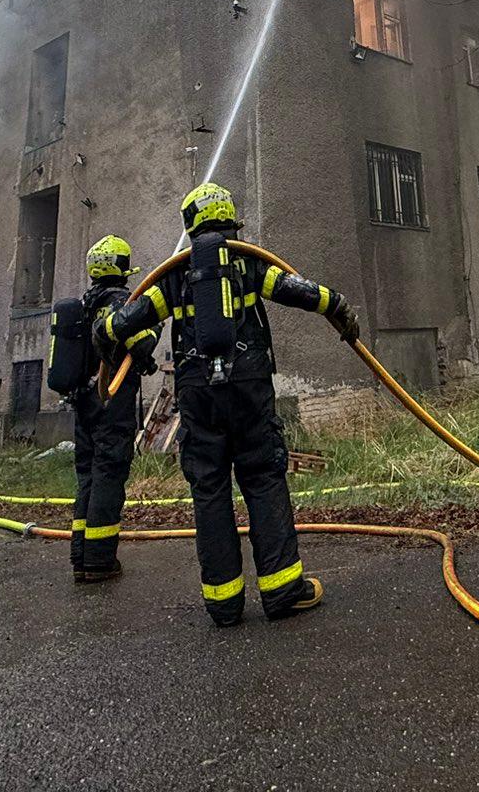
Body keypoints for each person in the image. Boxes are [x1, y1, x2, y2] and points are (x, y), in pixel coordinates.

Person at [99, 181, 359, 627]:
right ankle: (282, 591)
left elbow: (121, 324)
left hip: (198, 397)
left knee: (210, 489)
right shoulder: (249, 264)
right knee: (262, 477)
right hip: (250, 389)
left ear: (190, 223)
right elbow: (301, 292)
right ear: (229, 218)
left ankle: (223, 603)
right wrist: (338, 307)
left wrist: (105, 337)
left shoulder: (173, 277)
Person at [54, 234, 153, 584]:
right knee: (109, 473)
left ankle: (80, 557)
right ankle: (100, 560)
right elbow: (138, 339)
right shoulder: (119, 301)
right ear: (121, 266)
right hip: (111, 398)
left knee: (88, 476)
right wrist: (150, 331)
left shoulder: (84, 304)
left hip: (84, 402)